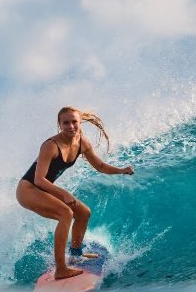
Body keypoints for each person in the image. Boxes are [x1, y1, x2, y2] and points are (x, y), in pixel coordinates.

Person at [16, 106, 134, 279]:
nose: (71, 126)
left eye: (74, 122)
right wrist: (63, 193)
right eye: (66, 123)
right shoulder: (50, 145)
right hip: (28, 189)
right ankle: (61, 269)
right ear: (59, 124)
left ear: (80, 123)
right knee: (66, 213)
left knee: (84, 213)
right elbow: (39, 179)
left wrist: (121, 170)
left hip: (44, 189)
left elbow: (100, 166)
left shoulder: (82, 143)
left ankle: (76, 255)